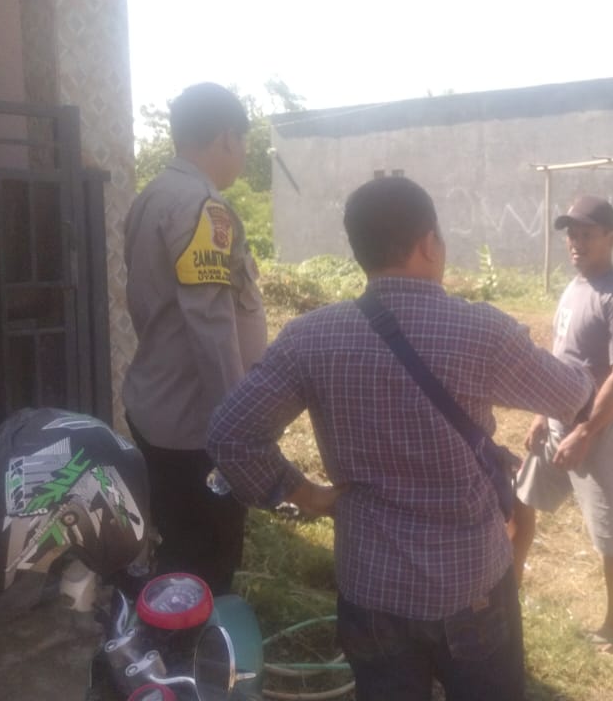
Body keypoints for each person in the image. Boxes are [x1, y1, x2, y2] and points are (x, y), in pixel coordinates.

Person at [207, 176, 593, 700]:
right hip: (472, 583)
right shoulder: (482, 331)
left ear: (360, 250)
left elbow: (231, 433)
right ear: (430, 243)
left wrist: (307, 495)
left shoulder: (310, 337)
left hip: (371, 589)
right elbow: (570, 394)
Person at [122, 82, 264, 596]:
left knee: (177, 548)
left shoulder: (151, 197)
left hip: (159, 407)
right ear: (226, 137)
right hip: (198, 428)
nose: (243, 155)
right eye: (244, 142)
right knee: (206, 567)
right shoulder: (203, 205)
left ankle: (163, 632)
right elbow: (211, 326)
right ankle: (188, 643)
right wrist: (238, 428)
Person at [511, 195, 613, 649]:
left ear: (612, 237)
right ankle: (508, 594)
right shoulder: (574, 288)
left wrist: (587, 430)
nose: (576, 242)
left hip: (605, 427)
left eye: (587, 234)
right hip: (558, 419)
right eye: (572, 234)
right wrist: (541, 412)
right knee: (521, 498)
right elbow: (561, 357)